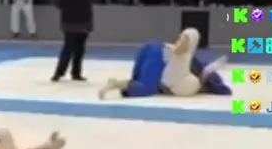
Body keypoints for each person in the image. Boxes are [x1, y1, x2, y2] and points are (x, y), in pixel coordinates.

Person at [98, 28, 230, 100]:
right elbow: (182, 46)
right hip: (157, 54)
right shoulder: (194, 66)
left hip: (153, 49)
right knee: (146, 88)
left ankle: (120, 84)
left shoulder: (192, 66)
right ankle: (116, 83)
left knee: (139, 82)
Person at [51, 0, 93, 82]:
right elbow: (59, 1)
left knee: (80, 48)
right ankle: (59, 72)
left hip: (83, 19)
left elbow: (87, 3)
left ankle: (76, 72)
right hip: (71, 19)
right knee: (69, 47)